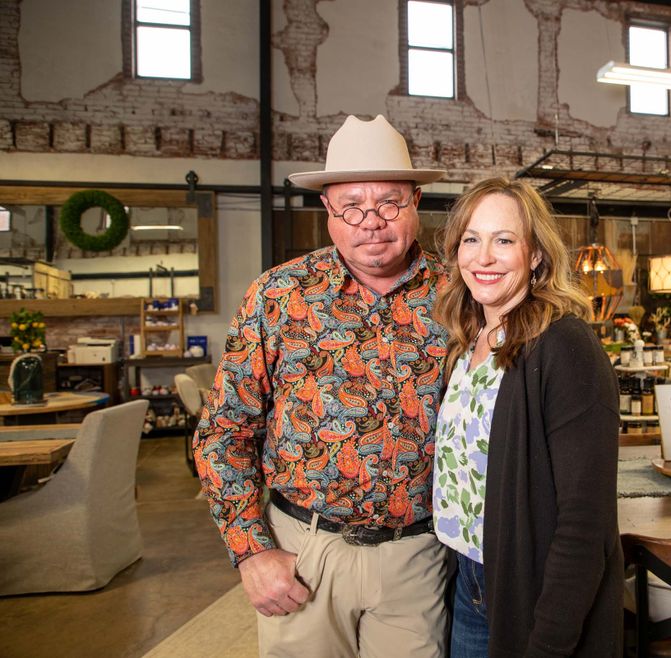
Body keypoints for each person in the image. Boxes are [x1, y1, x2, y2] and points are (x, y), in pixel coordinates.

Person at [194, 114, 450, 658]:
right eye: (351, 205)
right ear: (327, 211)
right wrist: (252, 552)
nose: (371, 221)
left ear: (416, 200)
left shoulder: (460, 296)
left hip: (421, 555)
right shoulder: (278, 296)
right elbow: (222, 433)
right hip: (304, 550)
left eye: (388, 202)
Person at [432, 177, 623, 657]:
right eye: (471, 240)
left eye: (504, 240)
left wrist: (550, 641)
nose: (484, 258)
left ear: (536, 254)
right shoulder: (467, 343)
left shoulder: (565, 346)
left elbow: (585, 520)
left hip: (530, 591)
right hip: (469, 581)